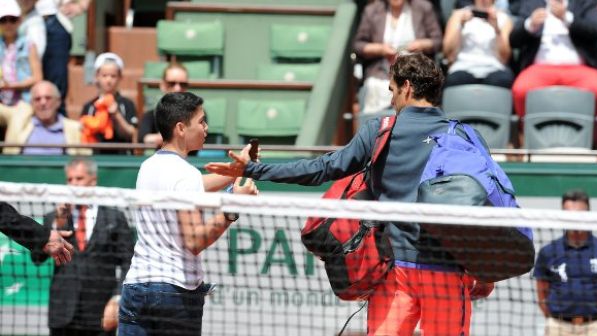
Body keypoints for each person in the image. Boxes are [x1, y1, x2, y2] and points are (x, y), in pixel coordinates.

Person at [205, 53, 493, 335]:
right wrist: (487, 263)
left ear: (406, 87)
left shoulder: (380, 131)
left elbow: (322, 169)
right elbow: (491, 200)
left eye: (392, 90)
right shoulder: (465, 137)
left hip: (394, 275)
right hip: (443, 274)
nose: (391, 100)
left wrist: (257, 170)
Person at [118, 92, 258, 335]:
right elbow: (194, 241)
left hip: (136, 288)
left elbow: (194, 185)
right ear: (181, 128)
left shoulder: (148, 167)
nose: (206, 127)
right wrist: (232, 207)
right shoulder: (184, 174)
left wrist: (240, 170)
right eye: (201, 121)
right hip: (174, 294)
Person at [31, 158, 135, 336]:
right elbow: (37, 258)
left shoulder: (114, 217)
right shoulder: (53, 218)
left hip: (101, 313)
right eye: (69, 179)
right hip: (62, 314)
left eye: (79, 179)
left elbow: (129, 263)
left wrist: (118, 299)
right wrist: (58, 223)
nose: (73, 184)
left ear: (93, 180)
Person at [533, 189, 597, 336]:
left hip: (596, 327)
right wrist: (553, 320)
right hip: (558, 327)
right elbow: (542, 295)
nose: (574, 218)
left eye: (579, 213)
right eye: (568, 213)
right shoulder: (548, 252)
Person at [509, 0, 597, 119]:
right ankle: (525, 134)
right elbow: (514, 41)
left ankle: (595, 135)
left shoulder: (584, 2)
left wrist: (567, 17)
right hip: (540, 68)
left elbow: (596, 30)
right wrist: (530, 24)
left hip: (580, 68)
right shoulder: (531, 3)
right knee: (521, 90)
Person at [353, 0, 442, 113]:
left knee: (417, 89)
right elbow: (359, 45)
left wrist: (421, 44)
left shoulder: (423, 7)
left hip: (416, 70)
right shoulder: (372, 10)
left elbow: (437, 41)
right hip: (382, 70)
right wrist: (381, 49)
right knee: (375, 86)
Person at [442, 0, 515, 88]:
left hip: (494, 67)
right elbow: (448, 53)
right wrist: (460, 25)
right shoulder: (458, 15)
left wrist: (496, 29)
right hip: (462, 66)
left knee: (502, 80)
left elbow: (505, 57)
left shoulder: (504, 18)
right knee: (455, 80)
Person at [3, 80, 88, 155]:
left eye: (48, 98)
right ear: (31, 104)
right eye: (37, 99)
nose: (43, 103)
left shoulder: (74, 128)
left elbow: (87, 161)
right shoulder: (19, 122)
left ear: (58, 102)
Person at [36, 0, 91, 115]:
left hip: (55, 20)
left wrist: (81, 5)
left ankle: (57, 128)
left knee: (56, 88)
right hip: (18, 20)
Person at [80, 52, 137, 154]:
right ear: (97, 76)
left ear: (120, 77)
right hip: (96, 157)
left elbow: (131, 133)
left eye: (113, 76)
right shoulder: (89, 106)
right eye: (104, 75)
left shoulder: (127, 104)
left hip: (122, 157)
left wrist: (117, 114)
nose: (108, 80)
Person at [0, 0, 43, 126]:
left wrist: (12, 85)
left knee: (16, 128)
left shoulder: (29, 45)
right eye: (3, 20)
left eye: (12, 19)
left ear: (19, 21)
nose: (8, 24)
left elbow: (38, 78)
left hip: (23, 101)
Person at [1, 201, 73, 266]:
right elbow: (37, 257)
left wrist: (45, 236)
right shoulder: (51, 217)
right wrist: (57, 223)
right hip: (63, 276)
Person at [138, 62, 189, 147]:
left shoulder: (197, 114)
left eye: (182, 84)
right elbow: (142, 138)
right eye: (172, 83)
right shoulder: (151, 115)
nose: (178, 88)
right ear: (163, 85)